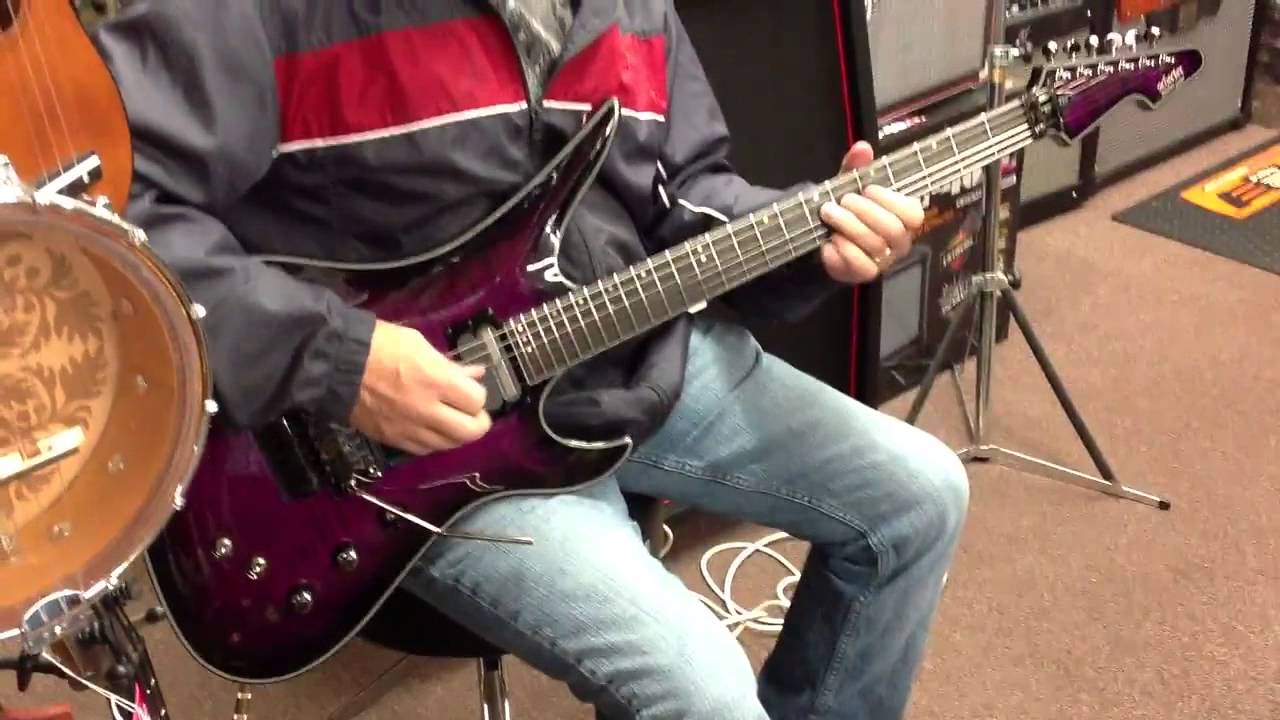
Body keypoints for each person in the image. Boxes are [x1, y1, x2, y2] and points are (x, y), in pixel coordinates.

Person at [93, 1, 968, 717]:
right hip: (401, 447)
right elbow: (102, 210)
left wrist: (811, 239)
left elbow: (687, 193)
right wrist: (338, 361)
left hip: (626, 359)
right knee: (703, 694)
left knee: (921, 497)